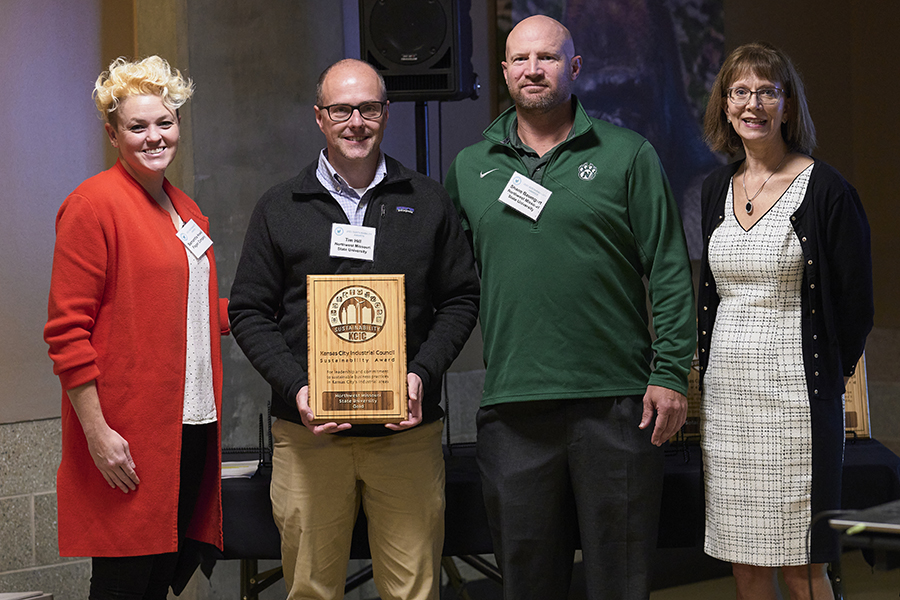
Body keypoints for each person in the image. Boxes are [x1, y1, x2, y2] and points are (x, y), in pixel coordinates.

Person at [445, 15, 695, 600]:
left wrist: (669, 374)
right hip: (513, 413)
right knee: (528, 584)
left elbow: (667, 268)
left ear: (575, 68)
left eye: (549, 57)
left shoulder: (627, 155)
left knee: (620, 581)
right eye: (522, 59)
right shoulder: (469, 168)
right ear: (505, 71)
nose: (534, 69)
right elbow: (449, 284)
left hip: (617, 407)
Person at [228, 58, 479, 600]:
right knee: (311, 589)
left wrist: (421, 374)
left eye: (368, 108)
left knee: (413, 588)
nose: (356, 122)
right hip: (308, 436)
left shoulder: (428, 200)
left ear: (386, 114)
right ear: (320, 117)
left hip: (406, 436)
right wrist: (297, 388)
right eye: (342, 109)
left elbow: (461, 299)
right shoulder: (279, 207)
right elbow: (248, 310)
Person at [43, 56, 227, 599]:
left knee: (159, 581)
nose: (154, 137)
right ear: (112, 133)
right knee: (126, 584)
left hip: (190, 426)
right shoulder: (92, 204)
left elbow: (183, 308)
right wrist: (99, 436)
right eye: (137, 126)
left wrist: (263, 310)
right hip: (129, 437)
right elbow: (66, 333)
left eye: (164, 122)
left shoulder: (184, 208)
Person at [697, 42, 873, 600]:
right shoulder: (713, 189)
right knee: (744, 561)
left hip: (796, 402)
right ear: (725, 107)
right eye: (740, 92)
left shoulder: (826, 190)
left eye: (767, 92)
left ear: (788, 105)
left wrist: (828, 379)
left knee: (802, 564)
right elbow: (711, 294)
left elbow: (855, 305)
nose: (753, 104)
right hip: (727, 400)